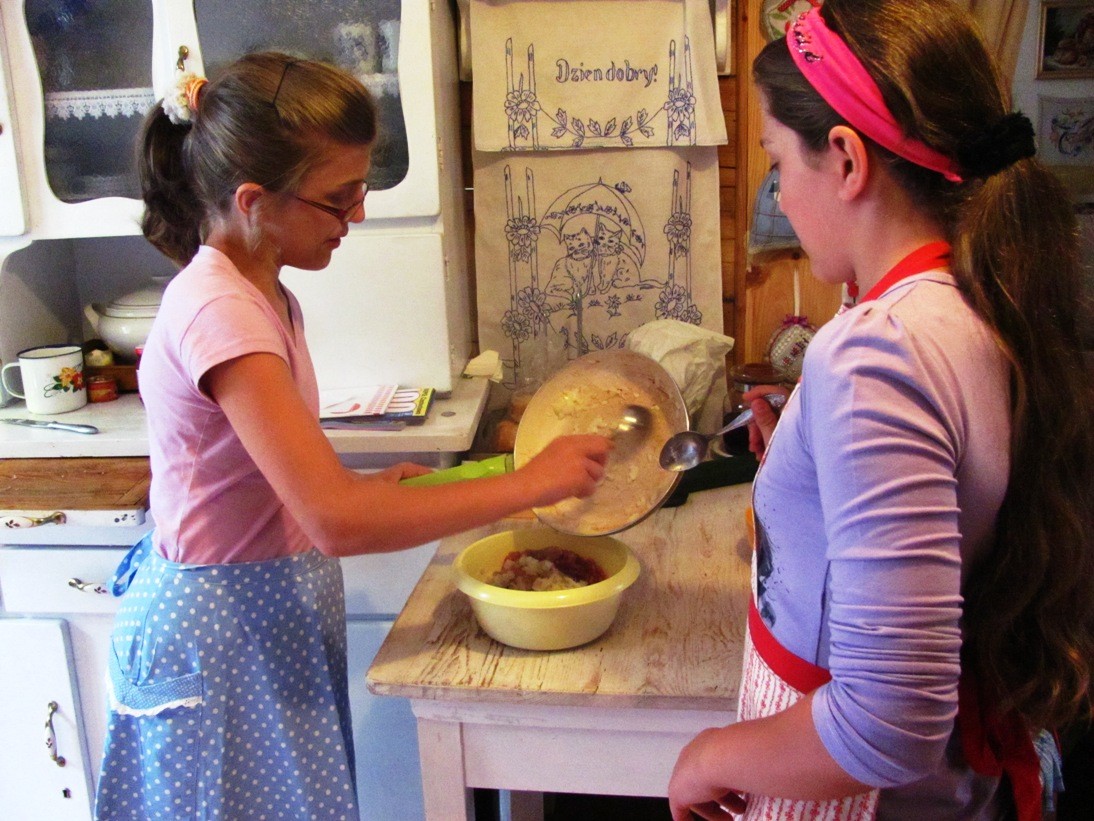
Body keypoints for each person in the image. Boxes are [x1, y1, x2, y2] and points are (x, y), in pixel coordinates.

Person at [94, 52, 611, 819]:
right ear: (253, 200)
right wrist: (535, 480)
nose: (356, 216)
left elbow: (283, 487)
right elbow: (333, 521)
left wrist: (363, 489)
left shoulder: (262, 289)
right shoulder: (219, 312)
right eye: (339, 199)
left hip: (262, 620)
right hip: (215, 638)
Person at [668, 2, 1094, 819]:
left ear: (846, 158)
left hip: (858, 791)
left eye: (776, 161)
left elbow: (886, 719)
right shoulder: (967, 302)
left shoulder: (877, 352)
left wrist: (705, 756)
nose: (781, 197)